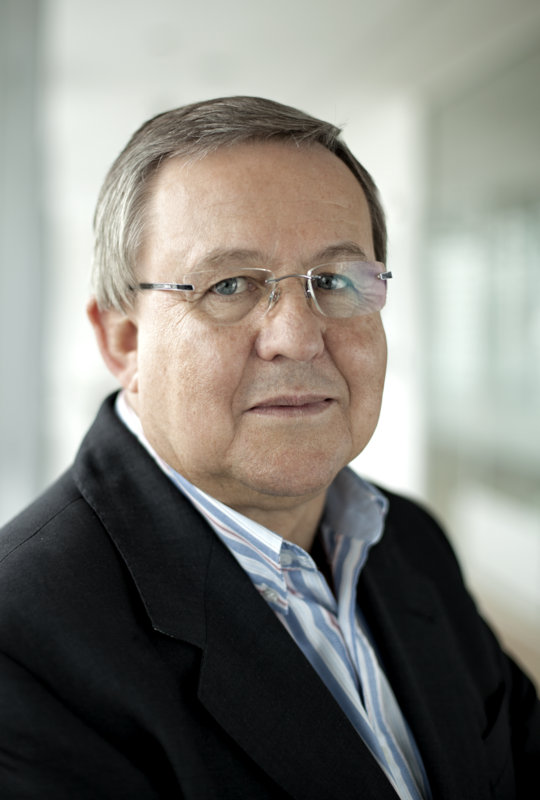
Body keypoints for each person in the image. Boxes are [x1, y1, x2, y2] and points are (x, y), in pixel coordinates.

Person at [0, 96, 538, 800]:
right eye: (229, 285)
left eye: (335, 281)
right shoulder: (21, 643)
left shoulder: (411, 540)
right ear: (124, 341)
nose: (298, 337)